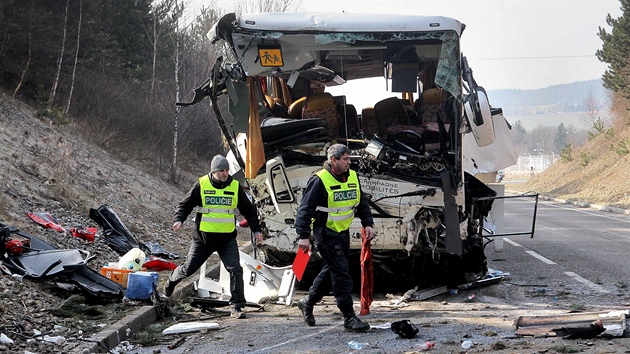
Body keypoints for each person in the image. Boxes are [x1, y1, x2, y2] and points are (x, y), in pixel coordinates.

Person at [164, 154, 264, 319]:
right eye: (221, 171)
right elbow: (185, 204)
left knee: (235, 270)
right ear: (214, 171)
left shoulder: (234, 186)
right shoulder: (202, 184)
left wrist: (257, 230)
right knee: (188, 269)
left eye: (227, 170)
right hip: (203, 240)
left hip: (227, 239)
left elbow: (249, 210)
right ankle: (170, 282)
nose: (225, 173)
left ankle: (237, 306)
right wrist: (179, 220)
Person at [294, 143, 375, 332]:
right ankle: (349, 316)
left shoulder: (352, 176)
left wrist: (368, 223)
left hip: (342, 231)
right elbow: (304, 210)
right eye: (345, 159)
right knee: (341, 273)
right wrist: (303, 236)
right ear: (333, 161)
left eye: (349, 159)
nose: (349, 163)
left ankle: (308, 301)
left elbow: (362, 202)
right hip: (325, 232)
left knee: (333, 269)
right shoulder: (319, 180)